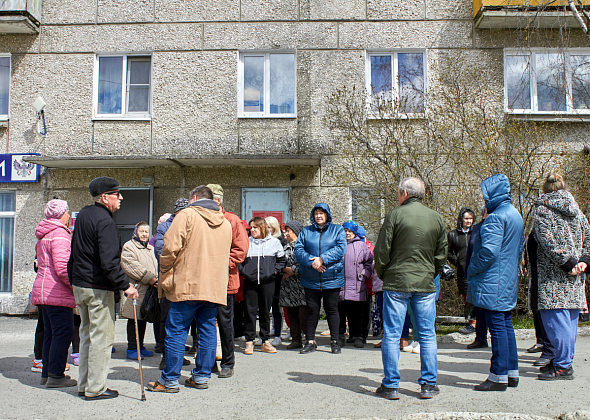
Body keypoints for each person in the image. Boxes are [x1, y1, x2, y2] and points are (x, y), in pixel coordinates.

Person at [148, 185, 232, 392]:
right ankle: (202, 376)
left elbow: (169, 247)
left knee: (176, 331)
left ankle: (169, 380)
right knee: (207, 330)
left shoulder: (187, 214)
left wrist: (165, 272)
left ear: (194, 197)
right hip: (213, 285)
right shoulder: (225, 222)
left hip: (187, 283)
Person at [374, 177, 447, 400]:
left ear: (404, 193)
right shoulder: (436, 218)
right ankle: (428, 384)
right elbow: (441, 255)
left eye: (398, 193)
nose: (397, 196)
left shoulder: (395, 215)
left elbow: (382, 250)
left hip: (396, 282)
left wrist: (384, 273)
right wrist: (429, 273)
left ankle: (391, 385)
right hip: (424, 283)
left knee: (393, 334)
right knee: (427, 335)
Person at [68, 177, 138, 400]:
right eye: (118, 194)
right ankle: (95, 388)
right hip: (98, 287)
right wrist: (126, 286)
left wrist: (74, 280)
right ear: (105, 197)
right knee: (101, 339)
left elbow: (75, 254)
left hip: (81, 285)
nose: (121, 198)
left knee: (87, 336)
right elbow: (109, 262)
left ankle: (84, 384)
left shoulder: (84, 215)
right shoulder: (105, 221)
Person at [528, 174, 590, 380]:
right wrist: (583, 260)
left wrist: (567, 262)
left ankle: (563, 365)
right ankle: (563, 361)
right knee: (570, 322)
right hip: (575, 276)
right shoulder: (577, 211)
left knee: (555, 323)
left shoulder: (543, 210)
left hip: (552, 276)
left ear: (545, 190)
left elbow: (547, 241)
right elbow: (588, 237)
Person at [468, 174, 524, 391]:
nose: (483, 198)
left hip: (493, 280)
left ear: (493, 194)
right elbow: (516, 250)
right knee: (505, 324)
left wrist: (472, 269)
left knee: (497, 327)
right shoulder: (515, 214)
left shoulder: (495, 217)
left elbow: (488, 252)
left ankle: (498, 376)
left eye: (485, 194)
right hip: (507, 278)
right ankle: (511, 372)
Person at [31, 199, 77, 388]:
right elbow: (62, 267)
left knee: (51, 334)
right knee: (63, 334)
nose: (68, 216)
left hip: (44, 290)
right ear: (60, 214)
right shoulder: (59, 234)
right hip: (56, 292)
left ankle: (47, 374)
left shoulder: (45, 233)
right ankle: (56, 375)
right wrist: (75, 286)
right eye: (67, 212)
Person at [208, 184, 249, 378]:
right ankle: (208, 361)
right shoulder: (201, 219)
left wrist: (221, 265)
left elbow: (240, 250)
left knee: (225, 323)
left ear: (218, 200)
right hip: (204, 282)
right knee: (205, 323)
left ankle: (228, 362)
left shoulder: (232, 220)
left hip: (225, 281)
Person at [294, 203, 347, 355]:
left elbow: (340, 248)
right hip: (311, 277)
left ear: (327, 215)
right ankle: (310, 341)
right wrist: (312, 262)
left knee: (332, 309)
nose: (319, 216)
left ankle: (335, 341)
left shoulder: (337, 230)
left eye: (322, 213)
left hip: (332, 277)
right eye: (316, 213)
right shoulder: (306, 231)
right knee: (312, 310)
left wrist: (322, 259)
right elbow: (298, 249)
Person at [154, 199, 192, 369]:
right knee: (167, 318)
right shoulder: (164, 227)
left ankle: (178, 354)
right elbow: (161, 253)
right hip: (169, 279)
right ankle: (165, 356)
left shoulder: (191, 225)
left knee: (182, 320)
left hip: (186, 280)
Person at [240, 217, 286, 355]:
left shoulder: (274, 242)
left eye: (255, 227)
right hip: (250, 282)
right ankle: (249, 341)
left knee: (266, 311)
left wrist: (274, 271)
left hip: (268, 282)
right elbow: (239, 260)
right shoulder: (246, 242)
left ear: (263, 228)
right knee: (250, 312)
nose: (252, 230)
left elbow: (282, 260)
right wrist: (245, 272)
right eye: (251, 228)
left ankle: (265, 341)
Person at [120, 222, 158, 360]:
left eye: (146, 232)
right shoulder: (129, 247)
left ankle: (140, 346)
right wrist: (151, 279)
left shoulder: (150, 248)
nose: (144, 234)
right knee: (133, 319)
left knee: (142, 319)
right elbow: (132, 266)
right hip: (135, 289)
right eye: (141, 231)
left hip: (147, 291)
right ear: (136, 232)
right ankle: (131, 348)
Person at [338, 220, 373, 349]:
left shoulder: (361, 245)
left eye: (349, 231)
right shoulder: (337, 244)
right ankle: (340, 335)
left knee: (356, 312)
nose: (347, 233)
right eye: (345, 231)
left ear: (354, 232)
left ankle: (357, 336)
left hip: (357, 284)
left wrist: (364, 275)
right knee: (340, 311)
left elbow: (369, 263)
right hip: (340, 284)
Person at [447, 207, 477, 334]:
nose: (469, 221)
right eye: (466, 218)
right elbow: (448, 253)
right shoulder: (453, 234)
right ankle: (471, 323)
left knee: (476, 298)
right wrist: (457, 262)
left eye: (471, 218)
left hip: (476, 271)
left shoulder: (477, 232)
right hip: (462, 272)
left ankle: (478, 324)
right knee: (467, 298)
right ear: (461, 219)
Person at [279, 220, 307, 350]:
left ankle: (308, 338)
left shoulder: (304, 246)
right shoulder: (284, 246)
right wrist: (285, 270)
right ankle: (296, 339)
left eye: (288, 231)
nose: (285, 234)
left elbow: (306, 262)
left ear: (296, 232)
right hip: (287, 287)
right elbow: (277, 261)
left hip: (301, 287)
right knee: (291, 315)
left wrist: (292, 271)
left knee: (303, 315)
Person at [465, 206, 489, 350]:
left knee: (491, 309)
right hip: (476, 273)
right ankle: (480, 337)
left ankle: (499, 338)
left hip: (491, 273)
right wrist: (468, 271)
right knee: (478, 307)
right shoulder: (477, 227)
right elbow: (470, 250)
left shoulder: (497, 225)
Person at [266, 216, 287, 346]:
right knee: (265, 308)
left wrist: (275, 270)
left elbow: (282, 261)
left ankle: (278, 335)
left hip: (277, 280)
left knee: (276, 309)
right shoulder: (261, 241)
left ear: (274, 228)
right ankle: (265, 335)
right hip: (265, 279)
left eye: (269, 227)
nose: (267, 230)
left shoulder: (281, 241)